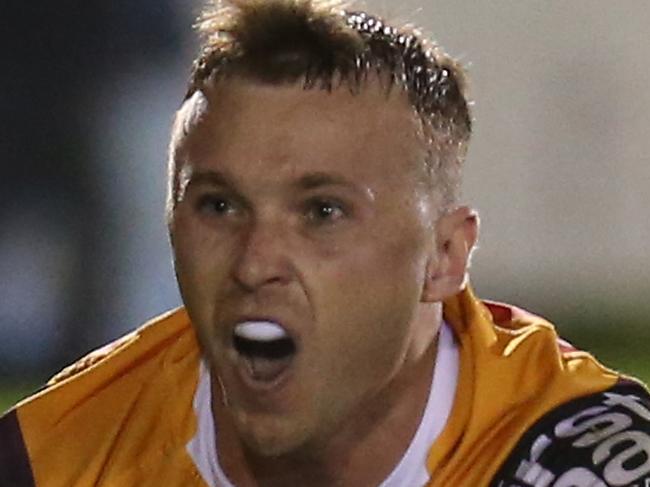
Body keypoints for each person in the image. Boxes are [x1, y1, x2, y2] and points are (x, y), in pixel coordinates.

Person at [2, 0, 649, 485]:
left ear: (444, 257)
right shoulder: (59, 457)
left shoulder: (577, 459)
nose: (255, 263)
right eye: (219, 205)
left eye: (322, 211)